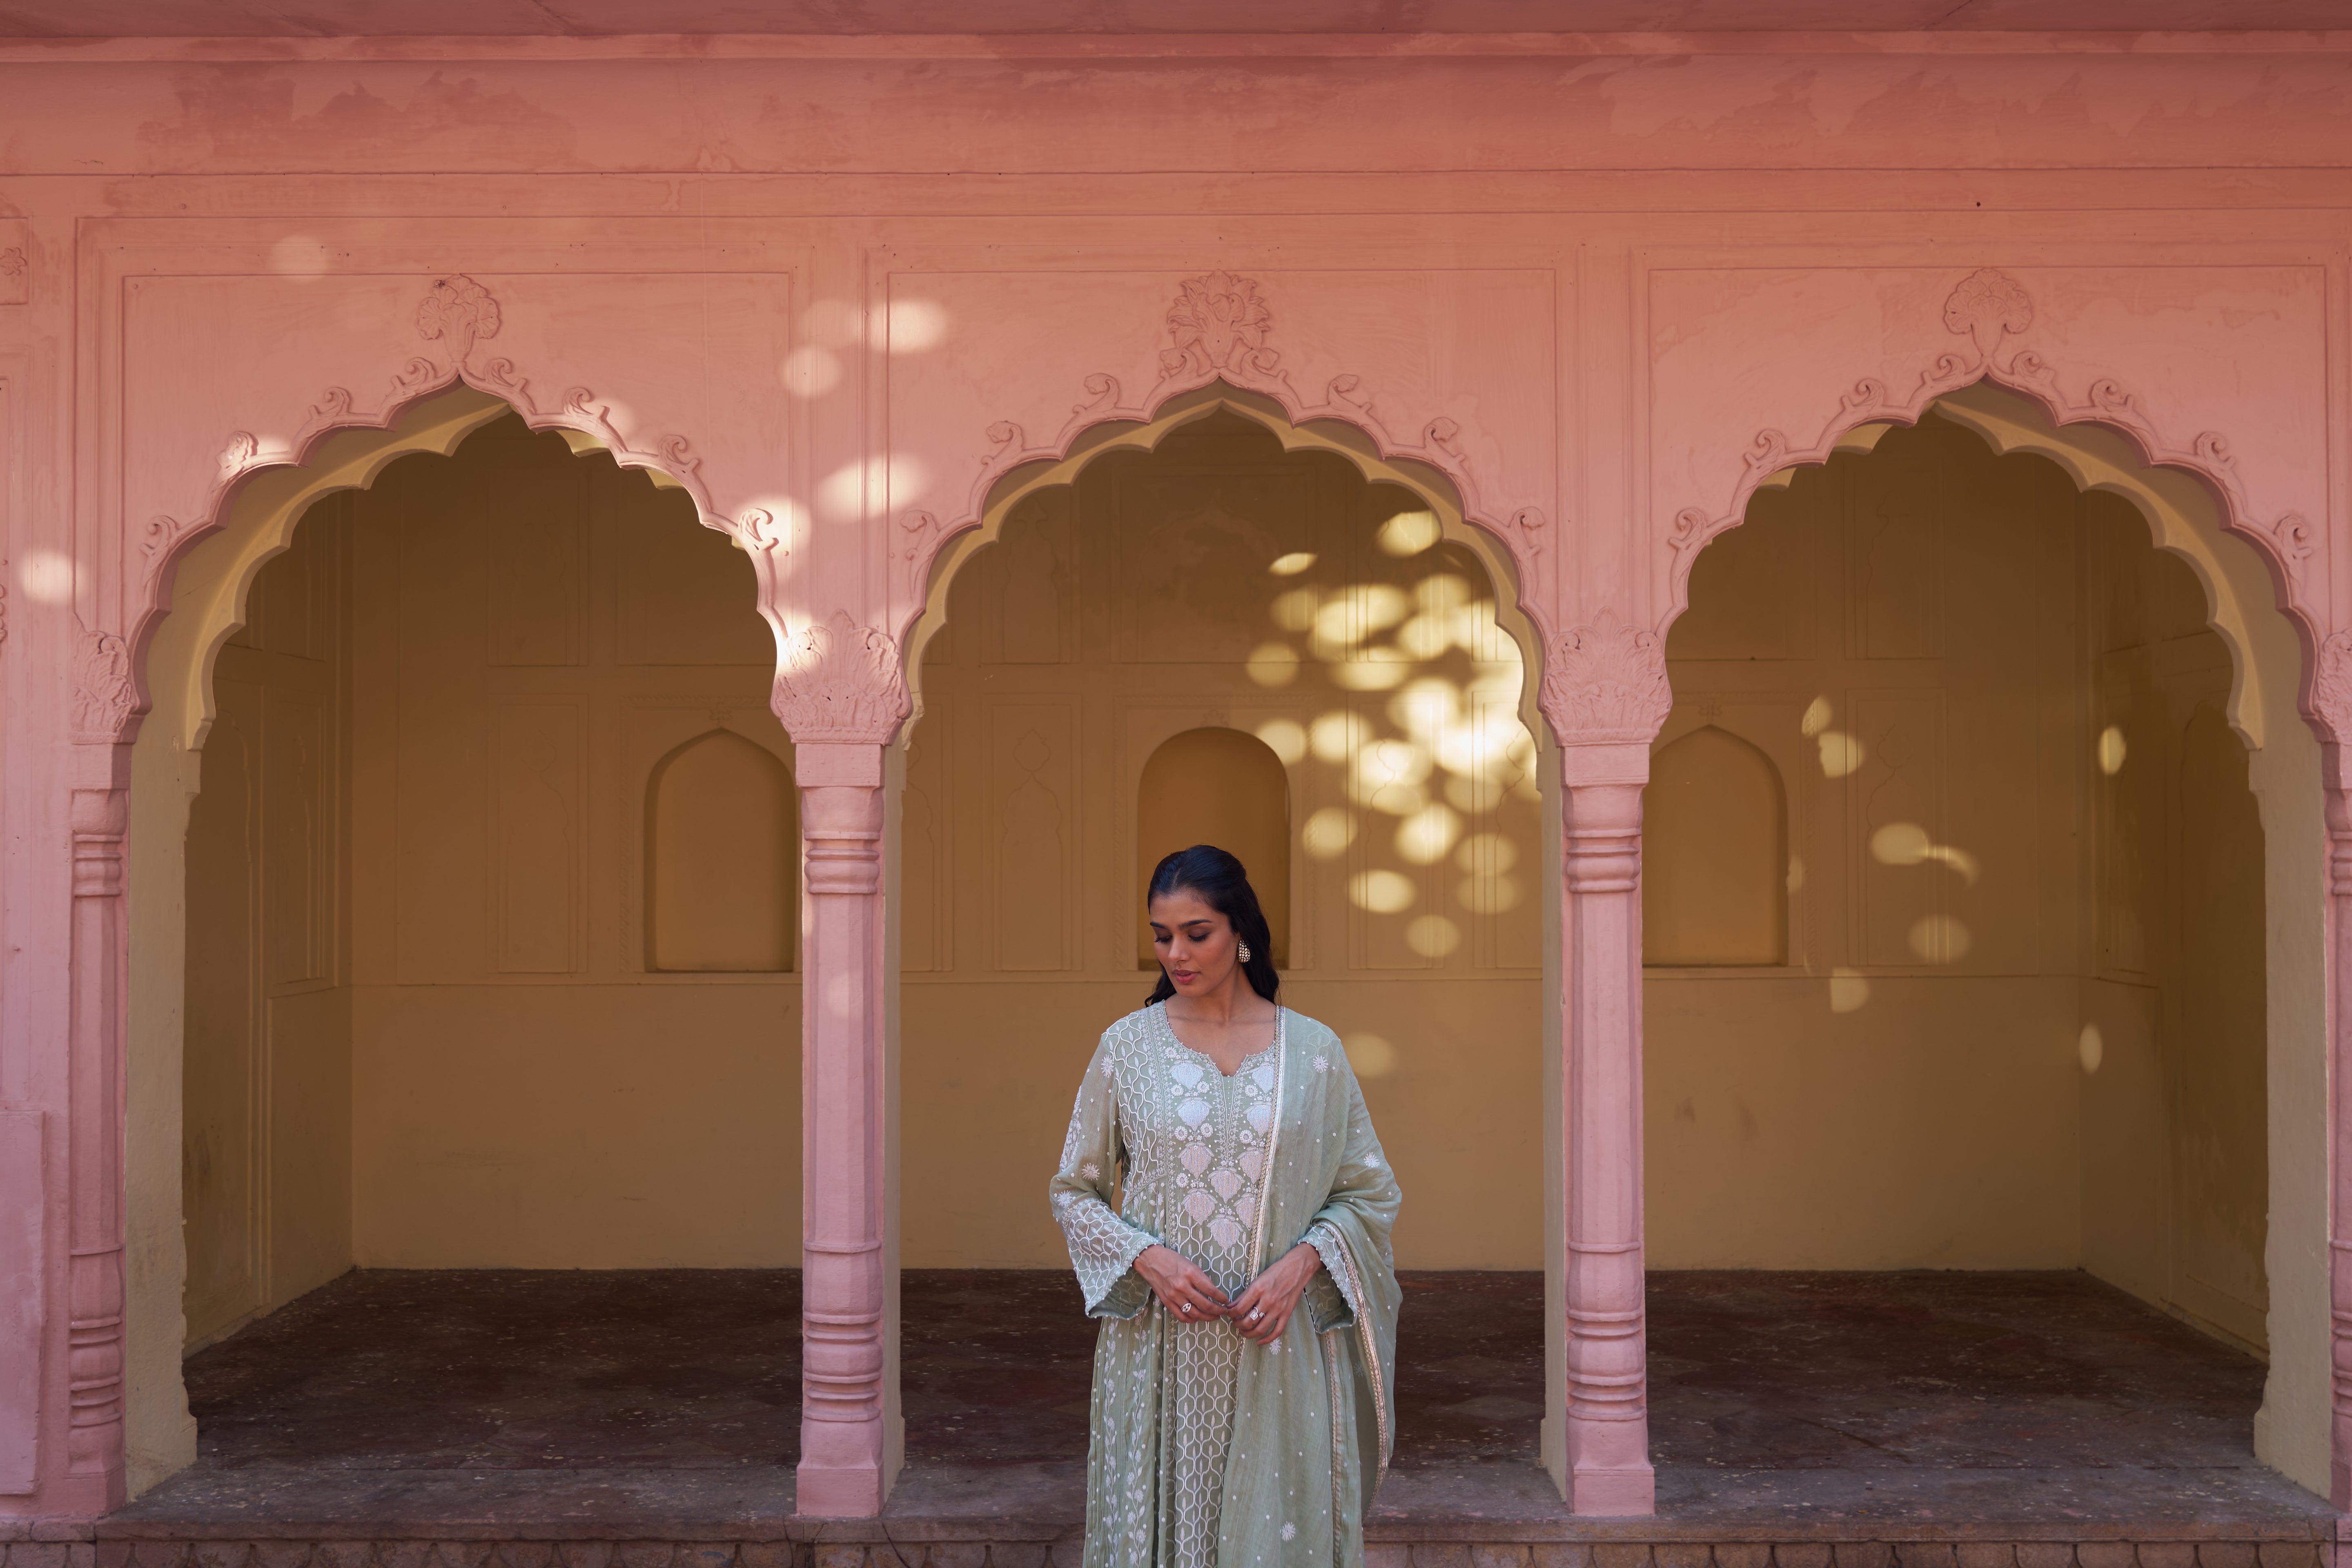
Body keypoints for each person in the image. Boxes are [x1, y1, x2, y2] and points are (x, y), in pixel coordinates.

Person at [1049, 844, 1402, 1568]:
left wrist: (1302, 1265)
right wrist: (1146, 1259)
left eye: (1196, 932)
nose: (1175, 952)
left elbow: (1367, 1192)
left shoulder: (1314, 1053)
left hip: (1279, 1344)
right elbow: (1073, 1192)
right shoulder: (1128, 1047)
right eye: (1161, 934)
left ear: (1239, 930)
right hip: (1159, 1349)